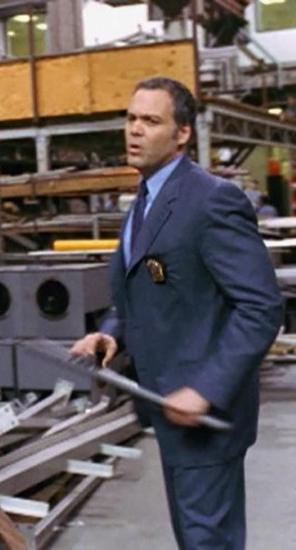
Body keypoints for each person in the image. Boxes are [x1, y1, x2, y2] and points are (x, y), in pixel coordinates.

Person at [71, 77, 282, 549]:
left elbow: (261, 306)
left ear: (182, 133)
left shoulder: (210, 200)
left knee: (207, 541)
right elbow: (141, 291)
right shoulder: (146, 200)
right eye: (131, 118)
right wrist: (112, 333)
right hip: (169, 408)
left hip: (204, 415)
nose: (135, 130)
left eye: (151, 121)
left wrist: (206, 389)